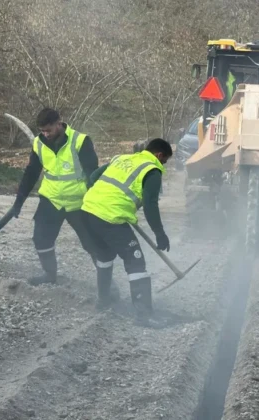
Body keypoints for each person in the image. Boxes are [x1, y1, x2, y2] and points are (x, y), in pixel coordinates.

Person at [80, 138, 173, 324]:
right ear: (159, 155)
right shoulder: (152, 170)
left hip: (87, 211)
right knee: (135, 260)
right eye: (165, 161)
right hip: (110, 217)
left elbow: (92, 177)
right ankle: (144, 315)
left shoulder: (122, 158)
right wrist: (160, 234)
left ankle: (103, 301)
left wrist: (100, 198)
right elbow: (150, 205)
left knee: (105, 257)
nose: (164, 164)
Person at [12, 108, 101, 286]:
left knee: (92, 243)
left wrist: (99, 201)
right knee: (41, 238)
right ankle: (49, 275)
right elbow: (31, 173)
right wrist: (19, 201)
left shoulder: (80, 141)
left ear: (59, 123)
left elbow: (93, 174)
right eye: (42, 131)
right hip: (51, 200)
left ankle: (106, 283)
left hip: (79, 202)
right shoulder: (39, 143)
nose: (46, 134)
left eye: (49, 130)